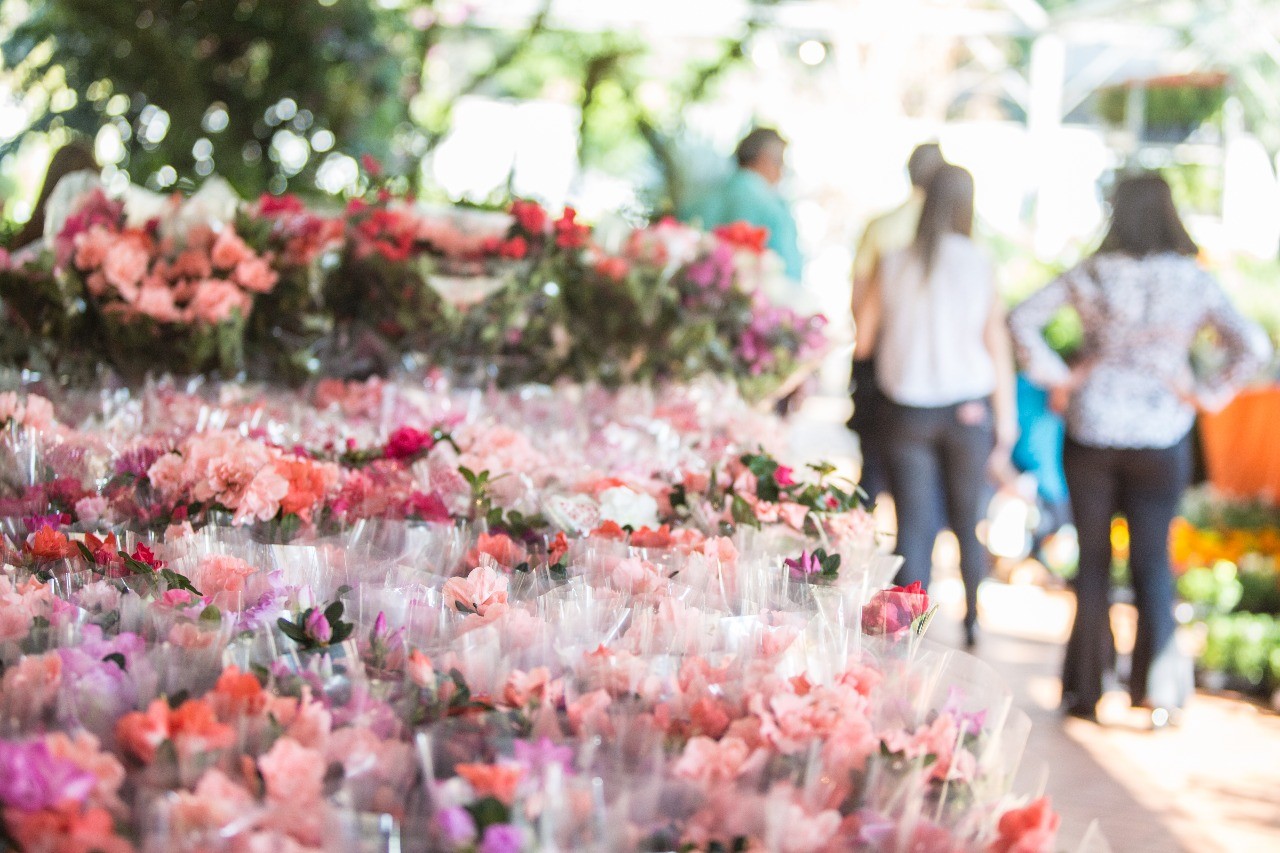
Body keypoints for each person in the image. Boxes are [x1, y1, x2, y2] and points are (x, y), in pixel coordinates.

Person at [1008, 172, 1271, 726]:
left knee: (1093, 563)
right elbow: (1252, 345)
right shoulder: (1192, 279)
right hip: (1163, 433)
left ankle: (1084, 691)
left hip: (1092, 430)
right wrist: (1205, 393)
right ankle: (1159, 695)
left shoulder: (1094, 272)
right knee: (1153, 560)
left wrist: (1060, 376)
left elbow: (1020, 319)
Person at [854, 164, 1018, 647]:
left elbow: (863, 341)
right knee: (968, 519)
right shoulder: (979, 262)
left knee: (913, 525)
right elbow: (996, 345)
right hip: (968, 411)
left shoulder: (893, 261)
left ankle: (905, 635)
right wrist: (1006, 422)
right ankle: (972, 623)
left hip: (905, 410)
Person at [848, 143, 947, 501]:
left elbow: (860, 300)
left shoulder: (881, 227)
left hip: (882, 355)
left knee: (873, 465)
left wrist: (865, 352)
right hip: (936, 366)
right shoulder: (958, 233)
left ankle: (863, 524)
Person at [698, 127, 803, 283]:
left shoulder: (701, 198)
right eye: (781, 163)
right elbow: (788, 277)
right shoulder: (774, 208)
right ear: (765, 160)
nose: (782, 172)